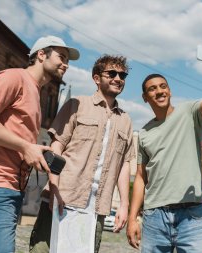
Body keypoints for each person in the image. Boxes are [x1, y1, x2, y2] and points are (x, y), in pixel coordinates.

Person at [0, 35, 80, 253]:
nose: (65, 64)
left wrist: (31, 154)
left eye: (67, 61)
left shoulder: (35, 90)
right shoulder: (13, 77)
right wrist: (26, 147)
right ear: (41, 55)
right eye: (61, 57)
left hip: (9, 187)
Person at [127, 45, 202, 253]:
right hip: (154, 218)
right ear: (144, 97)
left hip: (191, 217)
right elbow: (141, 177)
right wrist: (133, 219)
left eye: (163, 86)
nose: (159, 91)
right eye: (152, 88)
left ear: (169, 90)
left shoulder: (190, 112)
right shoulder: (144, 133)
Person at [29, 55, 134, 253]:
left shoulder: (126, 120)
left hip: (97, 208)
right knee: (42, 250)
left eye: (122, 75)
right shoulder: (76, 104)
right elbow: (56, 149)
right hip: (64, 196)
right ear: (96, 78)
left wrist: (124, 206)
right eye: (112, 73)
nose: (118, 78)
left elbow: (124, 165)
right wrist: (54, 188)